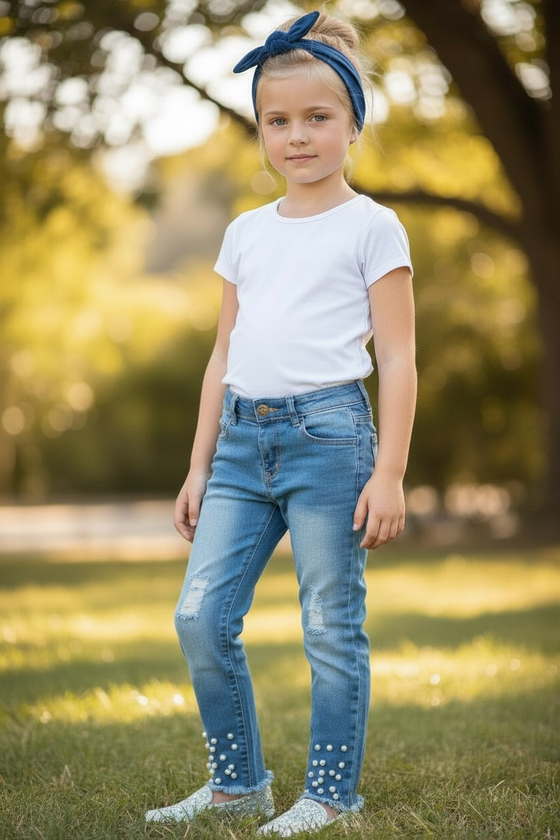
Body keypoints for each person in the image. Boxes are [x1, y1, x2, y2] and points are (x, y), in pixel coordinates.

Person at [145, 9, 416, 837]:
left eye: (317, 118)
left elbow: (401, 359)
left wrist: (391, 472)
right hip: (237, 443)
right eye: (278, 121)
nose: (297, 137)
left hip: (332, 441)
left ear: (353, 124)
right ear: (261, 130)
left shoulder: (372, 226)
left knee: (331, 623)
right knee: (199, 616)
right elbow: (221, 354)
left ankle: (331, 795)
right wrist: (197, 466)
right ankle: (238, 784)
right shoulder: (245, 233)